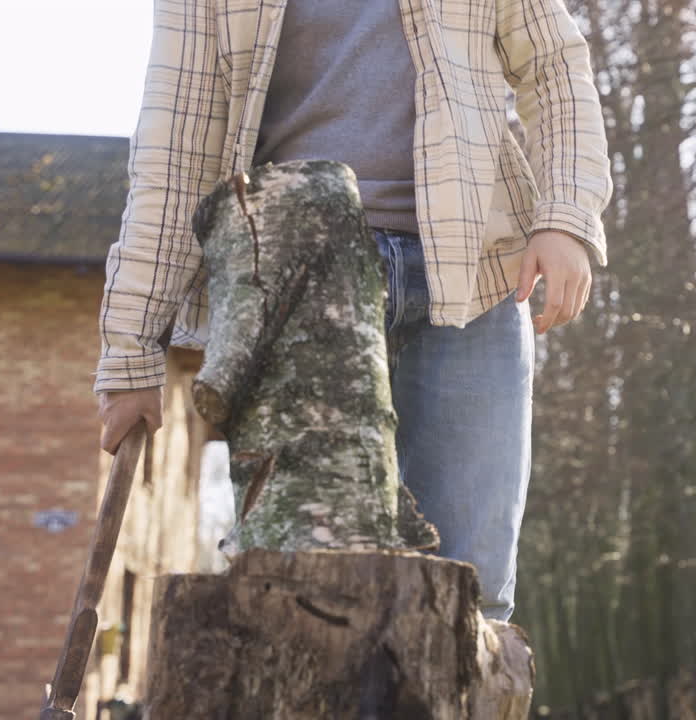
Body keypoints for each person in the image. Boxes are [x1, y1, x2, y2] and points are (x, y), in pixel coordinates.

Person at [92, 0, 612, 622]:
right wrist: (131, 352)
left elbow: (555, 65)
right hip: (296, 291)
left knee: (474, 591)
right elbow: (176, 156)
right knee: (302, 591)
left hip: (475, 276)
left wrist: (566, 218)